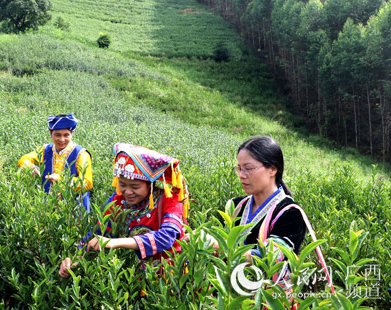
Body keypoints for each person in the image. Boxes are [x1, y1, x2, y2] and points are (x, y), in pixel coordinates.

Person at [212, 136, 333, 298]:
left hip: (267, 300)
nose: (241, 175)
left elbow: (268, 259)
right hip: (227, 296)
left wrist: (218, 248)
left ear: (272, 169)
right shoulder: (235, 206)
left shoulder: (290, 213)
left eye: (248, 168)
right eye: (239, 168)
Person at [59, 142, 189, 278]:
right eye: (122, 184)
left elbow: (166, 237)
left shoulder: (169, 199)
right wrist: (76, 258)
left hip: (171, 275)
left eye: (135, 186)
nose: (128, 192)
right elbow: (99, 233)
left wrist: (115, 242)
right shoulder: (118, 201)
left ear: (150, 184)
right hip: (133, 276)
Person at [18, 113, 93, 211]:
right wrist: (30, 167)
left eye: (66, 135)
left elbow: (87, 183)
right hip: (49, 209)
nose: (62, 140)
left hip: (74, 211)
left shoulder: (81, 154)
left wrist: (62, 180)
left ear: (72, 134)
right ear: (50, 133)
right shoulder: (45, 150)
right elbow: (23, 159)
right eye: (57, 135)